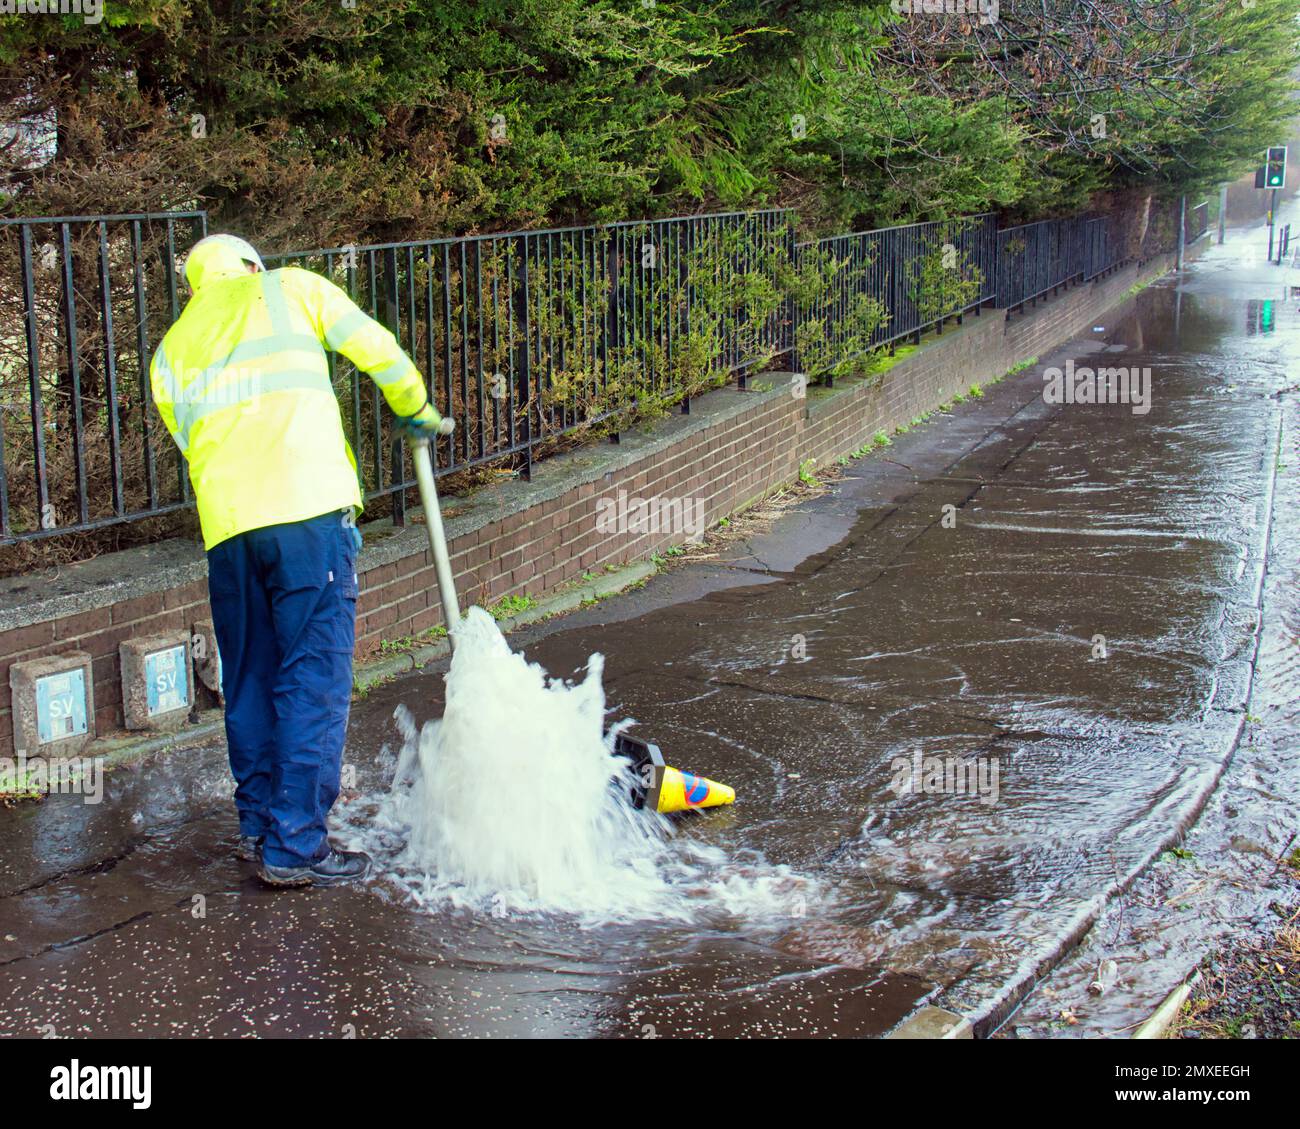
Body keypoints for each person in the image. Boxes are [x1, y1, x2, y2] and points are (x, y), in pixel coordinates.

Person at [150, 233, 450, 888]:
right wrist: (417, 408)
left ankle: (259, 824)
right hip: (309, 516)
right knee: (312, 674)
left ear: (198, 286)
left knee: (251, 676)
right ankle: (296, 845)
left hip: (228, 532)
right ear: (252, 265)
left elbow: (189, 438)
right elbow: (378, 349)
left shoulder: (170, 349)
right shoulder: (291, 288)